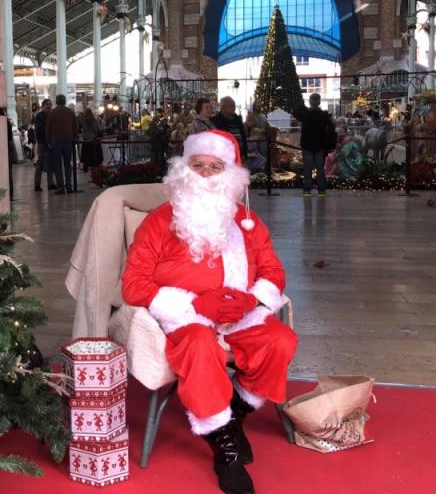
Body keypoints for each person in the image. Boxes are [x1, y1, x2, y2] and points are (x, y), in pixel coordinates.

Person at [122, 130, 297, 494]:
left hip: (239, 314)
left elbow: (273, 272)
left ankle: (233, 415)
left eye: (214, 167)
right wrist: (193, 303)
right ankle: (224, 444)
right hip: (186, 317)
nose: (204, 174)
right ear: (183, 169)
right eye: (196, 165)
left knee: (279, 341)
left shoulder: (247, 223)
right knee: (200, 347)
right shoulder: (158, 221)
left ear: (230, 174)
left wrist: (252, 300)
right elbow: (133, 284)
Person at [294, 93, 333, 196]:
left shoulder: (305, 114)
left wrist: (301, 103)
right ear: (319, 102)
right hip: (320, 144)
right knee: (320, 167)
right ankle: (321, 190)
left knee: (308, 167)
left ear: (310, 101)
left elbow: (296, 112)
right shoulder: (324, 115)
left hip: (307, 144)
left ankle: (307, 190)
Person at [46, 94, 79, 194]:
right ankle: (69, 186)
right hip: (68, 141)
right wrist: (74, 137)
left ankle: (61, 187)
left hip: (56, 141)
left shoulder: (52, 113)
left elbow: (48, 128)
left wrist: (48, 141)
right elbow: (75, 127)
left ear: (56, 101)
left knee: (57, 165)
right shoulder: (70, 112)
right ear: (64, 101)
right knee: (68, 164)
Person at [33, 99, 55, 192]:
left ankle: (50, 184)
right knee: (40, 164)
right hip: (42, 143)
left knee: (50, 163)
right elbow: (39, 130)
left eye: (50, 105)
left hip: (51, 142)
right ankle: (37, 184)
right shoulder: (39, 116)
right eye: (47, 105)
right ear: (43, 106)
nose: (49, 106)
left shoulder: (52, 115)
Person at [79, 107, 103, 172]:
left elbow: (81, 130)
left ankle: (86, 168)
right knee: (95, 156)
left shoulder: (83, 121)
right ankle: (95, 168)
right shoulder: (95, 121)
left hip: (86, 140)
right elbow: (99, 129)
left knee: (86, 155)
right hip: (94, 140)